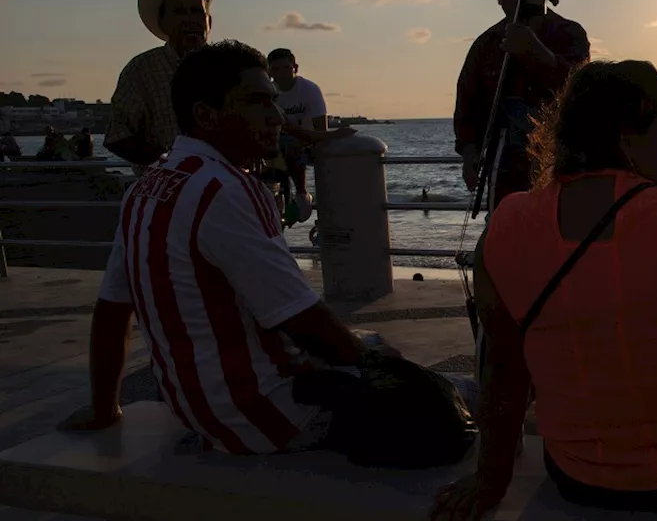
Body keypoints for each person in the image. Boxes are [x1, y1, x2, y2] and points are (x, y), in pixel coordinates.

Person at [57, 40, 473, 457]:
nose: (275, 115)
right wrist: (384, 370)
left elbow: (112, 310)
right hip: (267, 417)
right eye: (257, 102)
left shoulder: (144, 189)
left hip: (199, 409)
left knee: (372, 342)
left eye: (273, 101)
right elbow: (301, 317)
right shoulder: (226, 189)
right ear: (207, 114)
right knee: (457, 391)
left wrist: (104, 408)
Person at [432, 61, 657, 521]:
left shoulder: (506, 227)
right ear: (627, 141)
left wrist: (490, 481)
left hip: (584, 476)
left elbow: (506, 369)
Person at [453, 0, 591, 211]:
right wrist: (469, 153)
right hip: (503, 177)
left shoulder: (569, 33)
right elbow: (466, 107)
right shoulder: (485, 45)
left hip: (560, 167)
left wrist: (536, 51)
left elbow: (581, 94)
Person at [105, 0, 215, 173]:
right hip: (168, 194)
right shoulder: (142, 70)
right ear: (163, 23)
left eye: (197, 11)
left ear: (209, 21)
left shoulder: (231, 66)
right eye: (179, 12)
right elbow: (117, 136)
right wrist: (169, 164)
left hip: (227, 191)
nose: (190, 19)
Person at [265, 48, 352, 222]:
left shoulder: (309, 90)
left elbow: (320, 128)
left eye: (285, 68)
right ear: (269, 72)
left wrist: (317, 142)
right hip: (274, 143)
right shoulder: (268, 93)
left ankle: (301, 193)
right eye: (275, 69)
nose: (281, 74)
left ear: (295, 68)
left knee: (292, 145)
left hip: (303, 142)